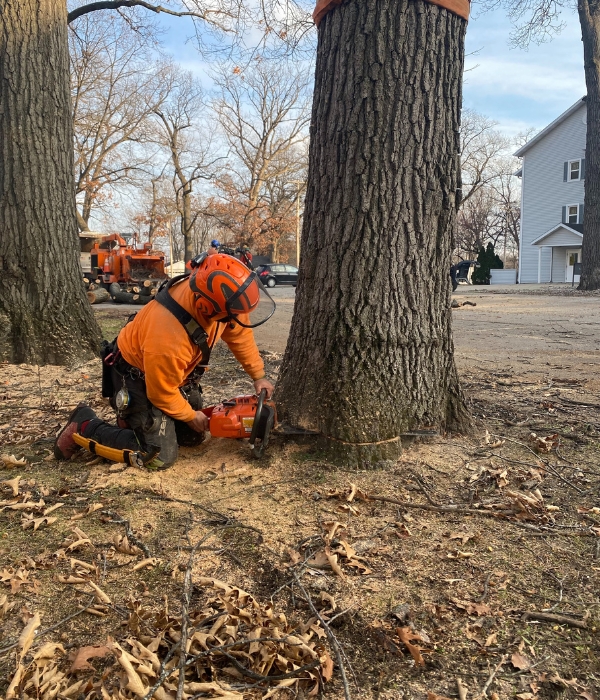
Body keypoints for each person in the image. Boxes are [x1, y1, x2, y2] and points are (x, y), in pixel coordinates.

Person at [54, 253, 275, 471]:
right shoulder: (169, 336)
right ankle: (85, 425)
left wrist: (258, 375)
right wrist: (189, 415)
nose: (234, 320)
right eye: (230, 316)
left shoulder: (224, 297)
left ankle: (135, 422)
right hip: (138, 376)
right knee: (157, 455)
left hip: (176, 375)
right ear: (206, 308)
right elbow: (161, 392)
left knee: (192, 437)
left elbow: (239, 334)